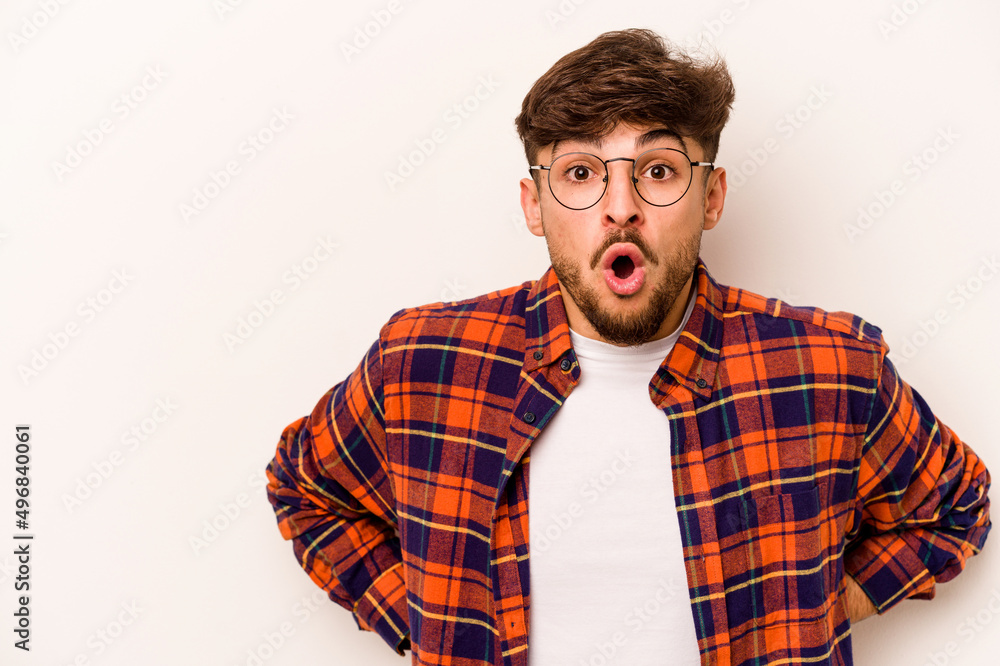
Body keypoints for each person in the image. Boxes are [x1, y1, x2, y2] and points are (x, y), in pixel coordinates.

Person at [265, 28, 991, 666]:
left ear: (711, 198)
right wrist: (428, 626)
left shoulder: (827, 369)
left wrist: (810, 614)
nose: (621, 206)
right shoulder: (424, 363)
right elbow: (306, 491)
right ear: (533, 205)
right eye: (580, 172)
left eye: (659, 171)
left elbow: (955, 506)